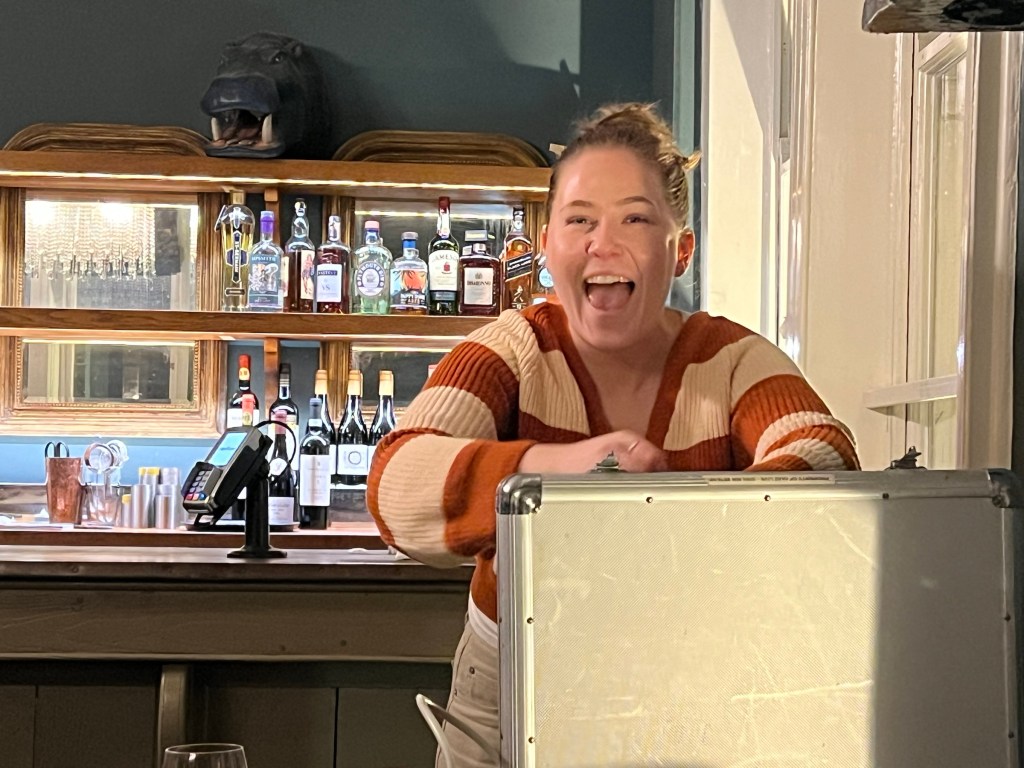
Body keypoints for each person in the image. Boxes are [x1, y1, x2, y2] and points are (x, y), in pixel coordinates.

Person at [367, 102, 860, 768]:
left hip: (690, 674)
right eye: (580, 220)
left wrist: (658, 520)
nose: (603, 243)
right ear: (547, 247)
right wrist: (562, 471)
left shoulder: (730, 358)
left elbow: (823, 452)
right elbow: (396, 484)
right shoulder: (511, 350)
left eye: (634, 218)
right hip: (510, 675)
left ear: (679, 251)